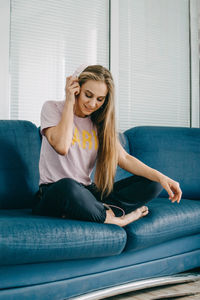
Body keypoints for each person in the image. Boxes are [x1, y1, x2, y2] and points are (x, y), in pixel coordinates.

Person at [32, 65, 182, 227]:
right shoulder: (52, 108)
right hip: (56, 193)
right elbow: (62, 146)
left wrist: (162, 177)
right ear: (76, 88)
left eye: (99, 99)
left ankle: (93, 211)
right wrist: (69, 101)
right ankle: (116, 219)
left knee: (153, 182)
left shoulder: (99, 122)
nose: (92, 104)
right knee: (68, 185)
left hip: (87, 194)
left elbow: (124, 158)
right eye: (87, 95)